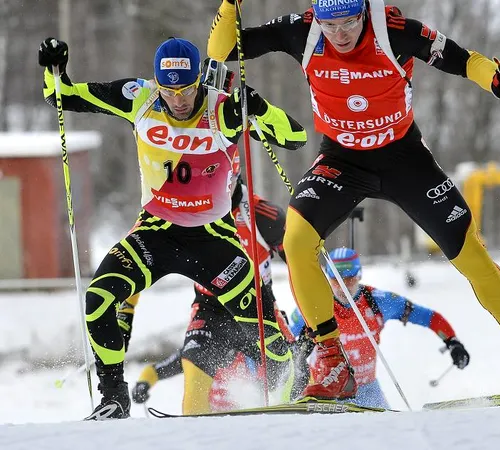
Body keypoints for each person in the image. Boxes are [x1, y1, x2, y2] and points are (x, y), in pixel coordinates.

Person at [208, 0, 500, 400]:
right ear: (316, 18)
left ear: (364, 12)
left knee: (471, 254)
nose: (340, 34)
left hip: (404, 159)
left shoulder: (394, 30)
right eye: (330, 25)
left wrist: (495, 79)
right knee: (296, 240)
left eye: (349, 23)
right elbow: (222, 52)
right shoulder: (301, 31)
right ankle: (332, 359)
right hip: (342, 160)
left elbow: (463, 60)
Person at [38, 36, 308, 419]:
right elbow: (61, 97)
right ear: (156, 82)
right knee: (98, 298)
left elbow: (294, 138)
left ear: (200, 81)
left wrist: (258, 106)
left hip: (213, 238)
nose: (178, 100)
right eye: (169, 90)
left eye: (186, 89)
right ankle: (114, 397)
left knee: (264, 333)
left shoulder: (223, 109)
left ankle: (285, 393)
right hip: (154, 232)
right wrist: (54, 70)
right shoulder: (139, 98)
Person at [120, 176, 310, 414]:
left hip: (257, 303)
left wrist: (315, 321)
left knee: (292, 371)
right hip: (210, 308)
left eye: (219, 178)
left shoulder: (261, 214)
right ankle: (196, 431)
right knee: (193, 363)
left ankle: (290, 428)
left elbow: (302, 267)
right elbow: (135, 256)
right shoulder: (180, 210)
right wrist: (125, 309)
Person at [288, 247, 470, 409]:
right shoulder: (314, 305)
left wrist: (452, 341)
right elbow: (286, 339)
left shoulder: (378, 301)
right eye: (337, 280)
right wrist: (296, 354)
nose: (343, 286)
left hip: (368, 390)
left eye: (349, 278)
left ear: (359, 275)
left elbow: (428, 317)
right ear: (328, 277)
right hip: (327, 390)